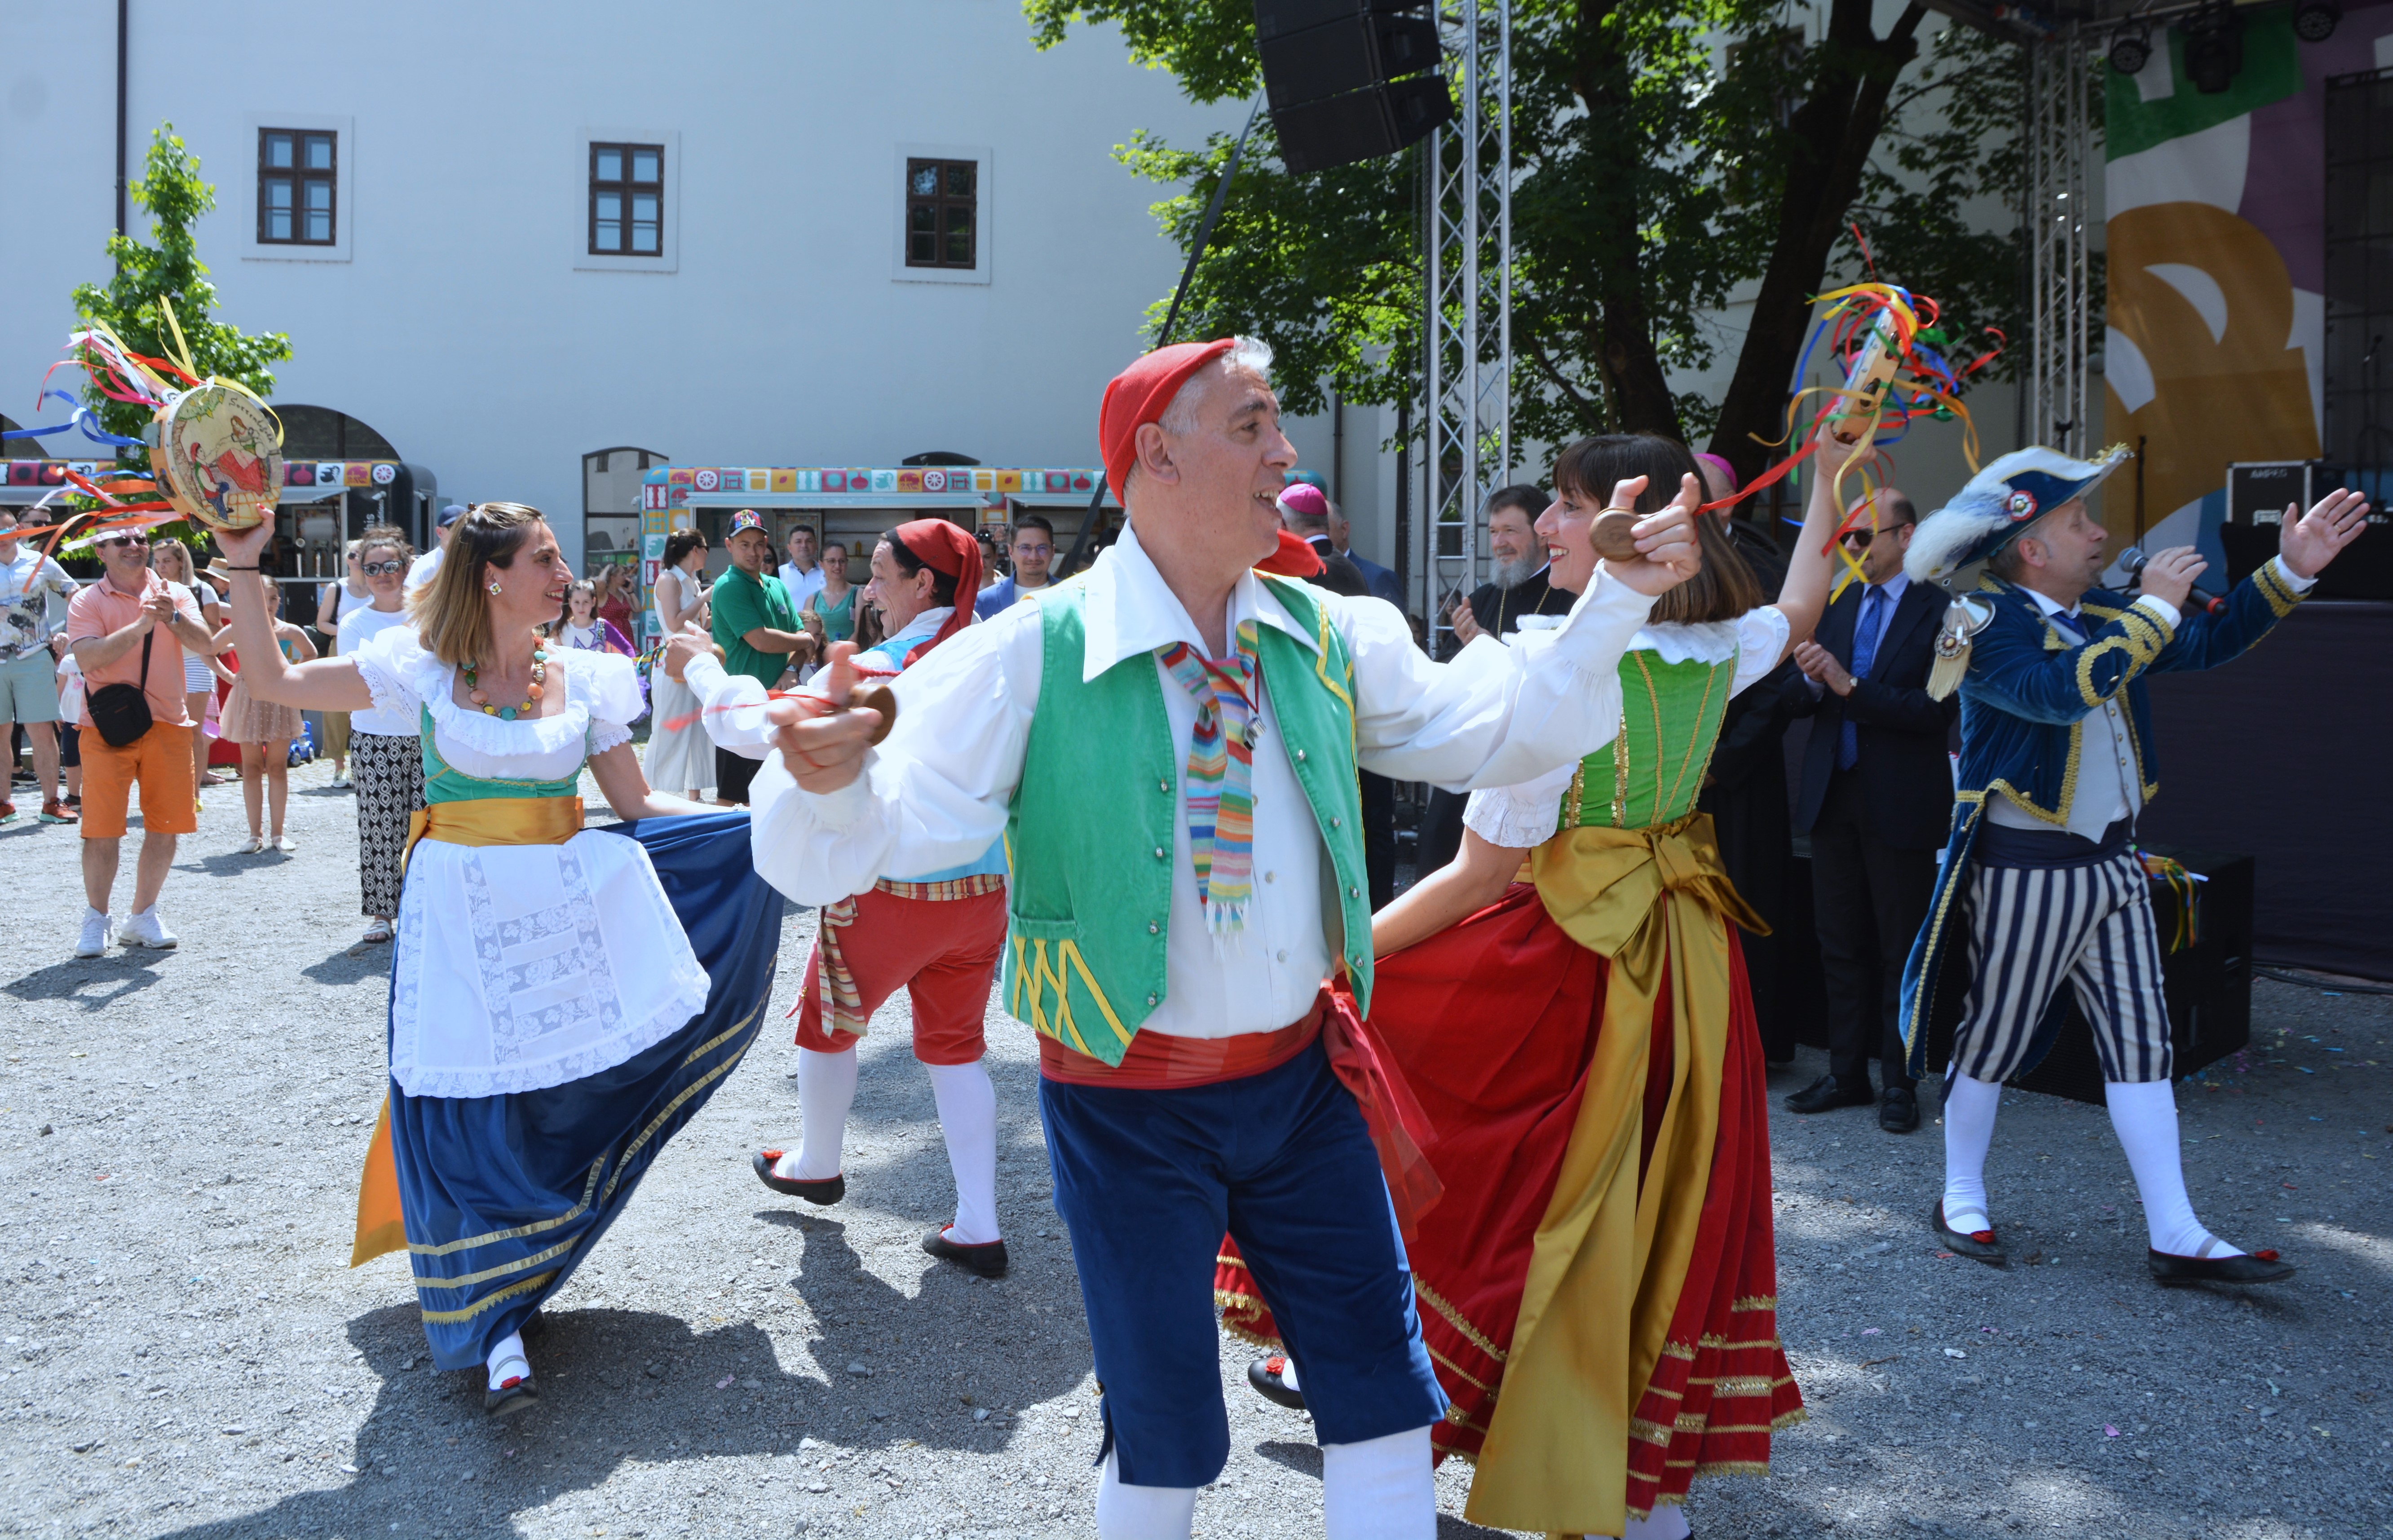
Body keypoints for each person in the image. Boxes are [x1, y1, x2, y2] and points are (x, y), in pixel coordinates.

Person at [722, 336, 1698, 1539]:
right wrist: (823, 778)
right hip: (1125, 1099)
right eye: (1253, 425)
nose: (1285, 451)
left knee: (1382, 1394)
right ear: (1156, 456)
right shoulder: (1034, 650)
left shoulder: (1329, 630)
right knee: (1162, 1416)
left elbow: (1503, 730)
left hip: (1304, 1084)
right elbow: (870, 836)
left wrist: (1614, 604)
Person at [1223, 427, 1845, 1540]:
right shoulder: (1718, 641)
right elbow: (1798, 613)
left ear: (1635, 525)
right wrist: (1836, 490)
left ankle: (1444, 1414)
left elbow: (1479, 874)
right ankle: (1639, 1489)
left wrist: (1338, 963)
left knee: (1495, 1195)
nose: (1548, 526)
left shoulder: (1545, 661)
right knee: (1655, 1202)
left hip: (1558, 957)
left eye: (1567, 504)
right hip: (1686, 953)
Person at [212, 501, 783, 1416]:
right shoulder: (421, 670)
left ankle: (521, 1274)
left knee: (556, 1097)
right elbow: (274, 677)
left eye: (559, 559)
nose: (565, 576)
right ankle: (491, 1323)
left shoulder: (590, 675)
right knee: (465, 1102)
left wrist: (763, 829)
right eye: (545, 559)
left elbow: (640, 808)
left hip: (561, 909)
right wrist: (244, 568)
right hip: (459, 912)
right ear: (491, 574)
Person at [1900, 448, 2369, 1287]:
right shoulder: (1979, 623)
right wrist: (2149, 605)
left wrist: (2288, 571)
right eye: (2078, 522)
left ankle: (2176, 1231)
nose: (2100, 532)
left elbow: (2207, 638)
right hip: (2026, 871)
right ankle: (1959, 1193)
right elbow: (2059, 691)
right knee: (1994, 1036)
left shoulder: (2108, 608)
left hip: (2115, 866)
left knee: (2141, 1045)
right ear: (2030, 548)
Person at [687, 519, 1018, 1276]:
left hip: (890, 889)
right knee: (957, 1048)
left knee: (825, 1021)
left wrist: (703, 671)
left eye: (879, 572)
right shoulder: (991, 658)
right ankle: (978, 1220)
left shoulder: (883, 664)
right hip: (982, 891)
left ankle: (818, 1159)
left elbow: (756, 733)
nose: (868, 587)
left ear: (921, 583)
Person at [1783, 488, 1953, 1133]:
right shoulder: (1839, 604)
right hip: (1835, 793)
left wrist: (1847, 685)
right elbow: (1803, 703)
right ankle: (1847, 1073)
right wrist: (1806, 680)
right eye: (1846, 539)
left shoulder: (1944, 612)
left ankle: (1901, 1081)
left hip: (1901, 800)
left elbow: (1935, 711)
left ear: (1906, 536)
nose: (1853, 549)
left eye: (1864, 537)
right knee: (1838, 942)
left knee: (1899, 948)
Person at [1689, 452, 1806, 1060]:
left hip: (1741, 770)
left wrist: (1726, 757)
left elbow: (1781, 681)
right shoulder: (1669, 561)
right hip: (1680, 767)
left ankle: (1752, 1044)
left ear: (1729, 500)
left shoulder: (1764, 567)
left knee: (1749, 903)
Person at [66, 525, 215, 954]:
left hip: (168, 723)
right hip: (105, 728)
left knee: (166, 827)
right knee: (101, 831)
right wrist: (141, 626)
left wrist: (171, 617)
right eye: (122, 541)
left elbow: (206, 645)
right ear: (101, 551)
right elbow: (89, 657)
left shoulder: (174, 592)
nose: (135, 547)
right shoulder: (87, 599)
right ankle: (96, 919)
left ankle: (143, 915)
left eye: (140, 540)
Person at [1419, 484, 1564, 873]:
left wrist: (1490, 647)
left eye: (1510, 532)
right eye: (1494, 532)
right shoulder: (1483, 599)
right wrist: (1468, 651)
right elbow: (1450, 672)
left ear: (1540, 533)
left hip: (1531, 767)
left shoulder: (1567, 593)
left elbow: (1559, 680)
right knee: (1439, 852)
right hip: (1475, 759)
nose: (1499, 543)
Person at [338, 527, 421, 945]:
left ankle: (425, 905)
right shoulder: (354, 622)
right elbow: (356, 681)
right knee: (379, 825)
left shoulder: (428, 613)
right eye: (373, 568)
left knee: (431, 825)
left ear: (407, 567)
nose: (383, 575)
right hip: (374, 734)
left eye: (391, 566)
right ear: (361, 573)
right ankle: (381, 914)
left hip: (428, 734)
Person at [708, 510, 815, 806]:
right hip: (742, 707)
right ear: (729, 546)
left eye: (758, 544)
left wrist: (794, 667)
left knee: (774, 793)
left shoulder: (776, 585)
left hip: (778, 704)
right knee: (730, 799)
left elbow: (800, 639)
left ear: (767, 543)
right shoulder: (729, 586)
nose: (753, 552)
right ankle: (726, 852)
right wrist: (805, 640)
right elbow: (762, 640)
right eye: (744, 544)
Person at [214, 576, 318, 855]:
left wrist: (294, 676)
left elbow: (311, 652)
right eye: (262, 598)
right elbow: (208, 651)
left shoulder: (289, 631)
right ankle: (254, 834)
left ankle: (278, 833)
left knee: (277, 767)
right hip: (247, 698)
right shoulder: (240, 629)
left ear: (279, 601)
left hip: (279, 700)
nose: (268, 604)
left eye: (273, 598)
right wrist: (229, 675)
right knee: (250, 768)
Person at [0, 507, 79, 825]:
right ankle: (4, 802)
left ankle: (51, 801)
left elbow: (77, 594)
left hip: (32, 656)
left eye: (6, 531)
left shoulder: (41, 562)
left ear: (18, 529)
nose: (2, 539)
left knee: (42, 733)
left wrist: (69, 632)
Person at [645, 530, 713, 801]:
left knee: (698, 725)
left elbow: (701, 624)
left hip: (694, 660)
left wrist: (704, 600)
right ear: (695, 550)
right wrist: (705, 597)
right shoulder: (668, 579)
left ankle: (695, 795)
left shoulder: (692, 581)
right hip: (672, 661)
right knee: (669, 726)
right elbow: (674, 623)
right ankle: (654, 791)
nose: (708, 553)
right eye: (705, 548)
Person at [315, 540, 370, 787]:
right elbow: (322, 623)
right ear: (347, 559)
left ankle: (363, 765)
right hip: (341, 648)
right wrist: (348, 630)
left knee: (368, 705)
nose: (356, 558)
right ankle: (339, 767)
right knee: (336, 707)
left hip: (372, 650)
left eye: (360, 554)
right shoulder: (337, 588)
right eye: (352, 554)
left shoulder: (377, 586)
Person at [1322, 490, 1404, 608]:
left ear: (1344, 530)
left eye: (1323, 528)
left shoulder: (1378, 578)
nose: (1314, 535)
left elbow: (1395, 625)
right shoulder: (1302, 576)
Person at [972, 514, 1056, 618]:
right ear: (1011, 552)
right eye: (1025, 548)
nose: (1033, 557)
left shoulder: (1072, 595)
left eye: (1042, 548)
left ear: (1053, 552)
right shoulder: (984, 601)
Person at [553, 579, 636, 656]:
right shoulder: (561, 628)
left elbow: (627, 648)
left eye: (586, 602)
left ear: (593, 602)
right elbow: (554, 657)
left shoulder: (602, 626)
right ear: (570, 602)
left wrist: (634, 666)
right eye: (577, 602)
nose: (581, 607)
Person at [800, 539, 858, 648]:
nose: (837, 566)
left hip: (850, 658)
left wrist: (838, 653)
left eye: (842, 561)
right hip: (820, 660)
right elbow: (806, 634)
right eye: (832, 561)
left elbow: (860, 633)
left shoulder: (858, 595)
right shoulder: (813, 599)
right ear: (821, 564)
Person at [406, 504, 465, 591]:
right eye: (454, 527)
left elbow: (493, 590)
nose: (460, 531)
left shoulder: (481, 561)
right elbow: (408, 595)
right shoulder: (426, 565)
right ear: (439, 532)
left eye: (465, 526)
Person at [778, 523, 827, 611]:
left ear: (816, 546)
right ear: (789, 547)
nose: (804, 545)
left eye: (809, 541)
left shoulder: (827, 573)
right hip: (787, 625)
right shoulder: (779, 573)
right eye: (798, 542)